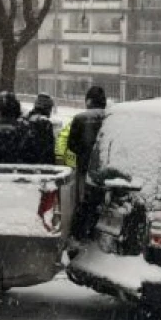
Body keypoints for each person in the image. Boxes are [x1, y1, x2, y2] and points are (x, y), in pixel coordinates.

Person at [55, 86, 108, 239]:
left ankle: (84, 232)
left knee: (84, 200)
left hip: (85, 167)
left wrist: (84, 154)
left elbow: (72, 145)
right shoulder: (110, 117)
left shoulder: (80, 119)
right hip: (107, 167)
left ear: (88, 101)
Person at [24, 93, 56, 165]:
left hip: (25, 162)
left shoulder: (25, 119)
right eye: (50, 108)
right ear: (46, 108)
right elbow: (49, 149)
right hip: (40, 165)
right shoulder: (45, 123)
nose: (50, 112)